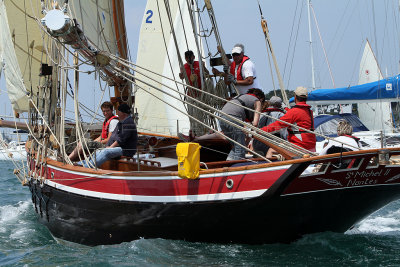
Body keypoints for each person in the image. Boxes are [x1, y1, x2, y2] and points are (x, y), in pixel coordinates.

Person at [79, 103, 138, 168]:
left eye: (118, 112)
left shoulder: (129, 123)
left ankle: (88, 167)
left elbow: (121, 140)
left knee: (106, 152)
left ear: (123, 113)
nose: (117, 114)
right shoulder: (122, 122)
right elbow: (115, 136)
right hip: (119, 147)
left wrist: (110, 147)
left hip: (126, 150)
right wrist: (108, 146)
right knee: (98, 151)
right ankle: (81, 163)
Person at [261, 86, 316, 152]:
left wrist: (260, 131)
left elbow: (278, 125)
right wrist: (285, 109)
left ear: (295, 97)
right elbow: (299, 115)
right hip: (311, 146)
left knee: (271, 150)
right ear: (306, 98)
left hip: (299, 146)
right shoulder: (310, 111)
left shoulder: (293, 112)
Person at [219, 88, 264, 160]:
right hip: (233, 118)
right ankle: (235, 168)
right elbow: (255, 124)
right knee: (240, 148)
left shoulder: (241, 97)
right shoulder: (257, 101)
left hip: (221, 118)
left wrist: (245, 143)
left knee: (236, 146)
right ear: (261, 99)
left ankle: (228, 165)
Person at [179, 50, 209, 135]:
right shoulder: (183, 67)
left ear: (194, 57)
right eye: (187, 58)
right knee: (191, 114)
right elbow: (181, 76)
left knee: (199, 114)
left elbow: (207, 74)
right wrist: (181, 75)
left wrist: (203, 67)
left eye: (190, 57)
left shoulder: (199, 64)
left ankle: (201, 132)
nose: (189, 59)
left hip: (200, 93)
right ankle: (193, 132)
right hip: (190, 94)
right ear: (185, 58)